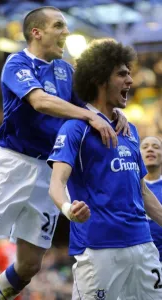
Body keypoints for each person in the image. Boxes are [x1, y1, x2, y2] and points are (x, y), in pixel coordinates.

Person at [0, 7, 129, 300]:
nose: (66, 32)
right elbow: (40, 101)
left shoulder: (65, 70)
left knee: (29, 265)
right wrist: (91, 117)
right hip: (14, 164)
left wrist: (111, 113)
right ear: (37, 32)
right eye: (59, 25)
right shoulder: (17, 63)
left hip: (50, 172)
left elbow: (87, 105)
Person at [48, 38, 162, 300]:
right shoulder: (75, 128)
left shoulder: (130, 130)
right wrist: (68, 210)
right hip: (99, 250)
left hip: (143, 246)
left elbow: (142, 191)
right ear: (100, 80)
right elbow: (56, 183)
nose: (130, 81)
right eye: (122, 74)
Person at [140, 136, 162, 265]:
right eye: (145, 147)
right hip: (137, 262)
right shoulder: (129, 187)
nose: (150, 150)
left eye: (156, 147)